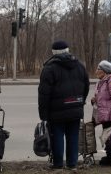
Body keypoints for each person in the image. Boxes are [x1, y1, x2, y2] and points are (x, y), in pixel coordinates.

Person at [38, 40, 90, 170]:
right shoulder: (79, 65)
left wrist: (43, 114)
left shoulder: (49, 68)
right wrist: (81, 101)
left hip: (56, 111)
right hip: (76, 108)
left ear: (53, 53)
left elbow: (44, 94)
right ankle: (72, 164)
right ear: (68, 50)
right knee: (73, 136)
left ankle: (58, 164)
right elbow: (86, 86)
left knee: (57, 137)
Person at [91, 60, 111, 166]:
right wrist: (95, 99)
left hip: (110, 114)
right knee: (107, 135)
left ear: (105, 71)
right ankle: (110, 157)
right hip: (105, 114)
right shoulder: (103, 81)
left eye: (98, 69)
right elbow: (104, 97)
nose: (96, 71)